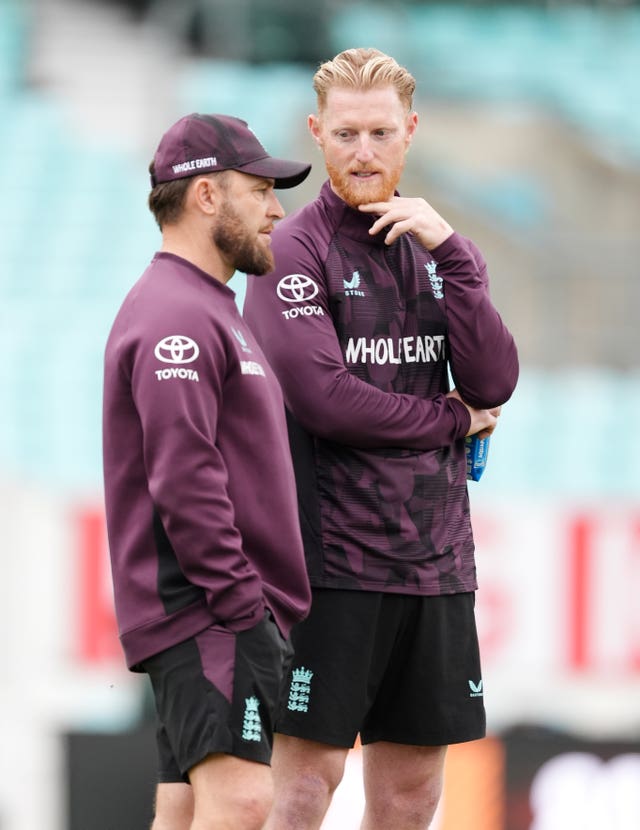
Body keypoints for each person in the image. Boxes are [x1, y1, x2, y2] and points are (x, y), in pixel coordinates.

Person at [243, 48, 519, 829]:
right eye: (346, 133)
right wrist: (452, 421)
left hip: (436, 564)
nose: (363, 151)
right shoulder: (290, 251)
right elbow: (327, 401)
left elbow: (494, 378)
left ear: (411, 133)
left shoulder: (441, 251)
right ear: (316, 133)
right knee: (303, 787)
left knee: (410, 797)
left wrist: (455, 255)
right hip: (327, 564)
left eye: (380, 133)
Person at [102, 113, 313, 830]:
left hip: (210, 612)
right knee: (242, 802)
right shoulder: (177, 317)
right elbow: (184, 476)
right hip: (208, 611)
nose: (277, 209)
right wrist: (241, 605)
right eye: (260, 191)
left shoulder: (201, 308)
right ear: (207, 197)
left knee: (188, 808)